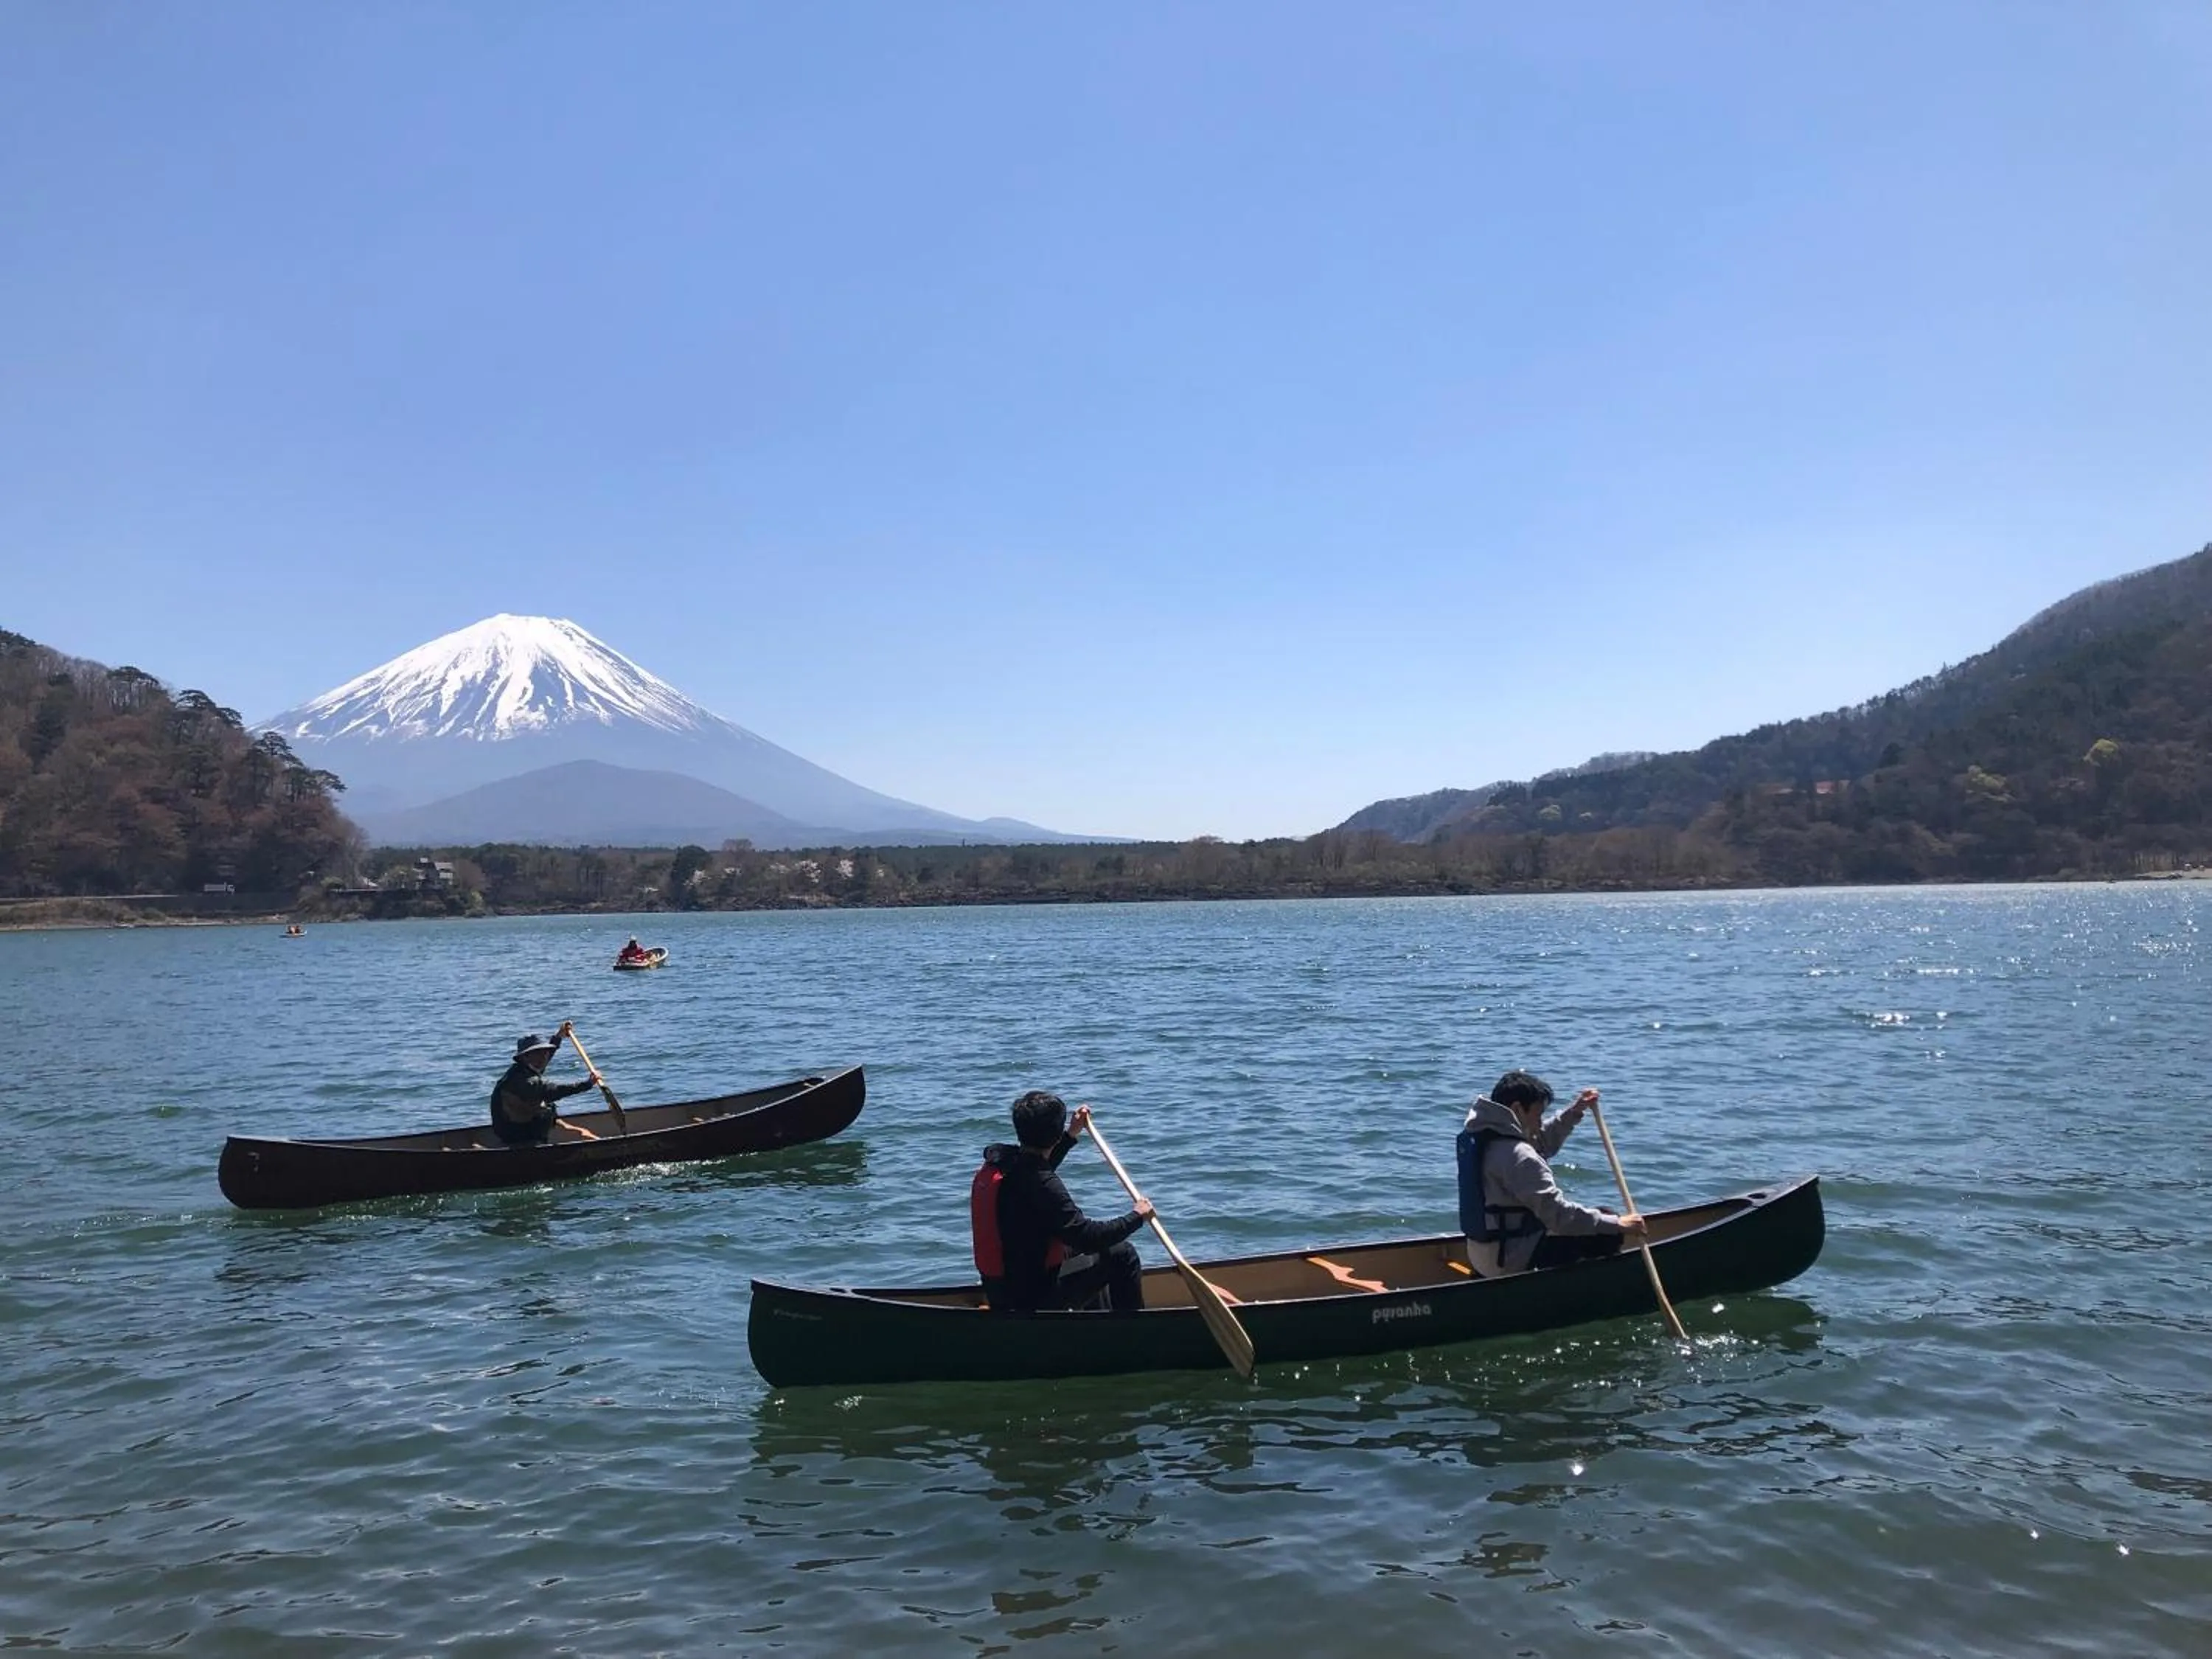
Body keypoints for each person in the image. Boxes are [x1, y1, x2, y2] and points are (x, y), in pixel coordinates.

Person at [970, 1091, 1154, 1312]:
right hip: (1032, 1299)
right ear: (1055, 1134)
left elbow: (1036, 1175)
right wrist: (1137, 1216)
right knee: (1123, 1254)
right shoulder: (1043, 1183)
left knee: (1076, 1251)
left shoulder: (1003, 1164)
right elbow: (1087, 1236)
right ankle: (1132, 1331)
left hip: (1001, 1289)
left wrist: (1071, 1134)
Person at [1458, 1069, 1646, 1278]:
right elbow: (1559, 1216)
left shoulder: (1483, 1136)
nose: (1539, 1123)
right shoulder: (1519, 1156)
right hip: (1509, 1261)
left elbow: (1540, 1141)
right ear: (1518, 1109)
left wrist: (1575, 1112)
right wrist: (1616, 1224)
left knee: (1596, 1221)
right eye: (1538, 1115)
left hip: (1483, 1254)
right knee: (1606, 1231)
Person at [489, 1021, 603, 1146]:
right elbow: (554, 1091)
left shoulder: (528, 1067)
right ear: (525, 1057)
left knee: (549, 1112)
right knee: (546, 1110)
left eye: (545, 1052)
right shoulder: (525, 1081)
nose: (544, 1057)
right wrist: (588, 1084)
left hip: (519, 1123)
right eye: (538, 1053)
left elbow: (546, 1057)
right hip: (515, 1133)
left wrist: (559, 1036)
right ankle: (534, 1146)